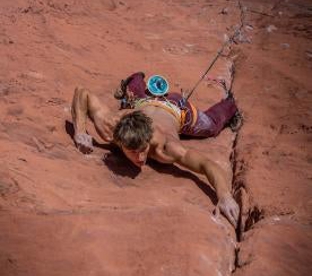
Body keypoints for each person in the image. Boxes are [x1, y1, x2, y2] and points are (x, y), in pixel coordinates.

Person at [71, 72, 241, 227]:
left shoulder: (166, 148)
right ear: (120, 142)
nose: (140, 157)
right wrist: (80, 131)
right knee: (136, 98)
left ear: (149, 138)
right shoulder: (111, 128)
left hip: (177, 109)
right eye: (133, 151)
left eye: (143, 149)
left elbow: (206, 164)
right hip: (143, 102)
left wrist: (224, 196)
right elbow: (82, 92)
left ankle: (231, 104)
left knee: (211, 125)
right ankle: (135, 79)